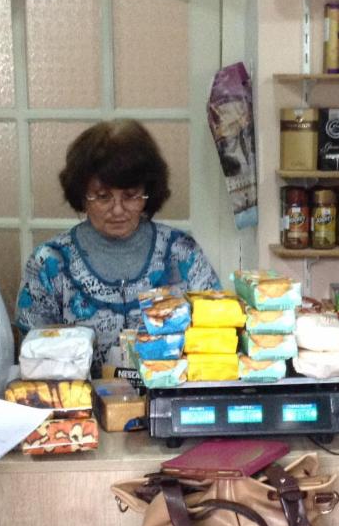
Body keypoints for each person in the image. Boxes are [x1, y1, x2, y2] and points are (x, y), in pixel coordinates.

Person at [16, 119, 220, 370]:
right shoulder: (50, 262)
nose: (118, 210)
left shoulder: (182, 253)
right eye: (103, 197)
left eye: (131, 196)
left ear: (148, 192)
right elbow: (33, 356)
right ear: (82, 195)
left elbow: (216, 335)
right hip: (77, 395)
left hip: (168, 392)